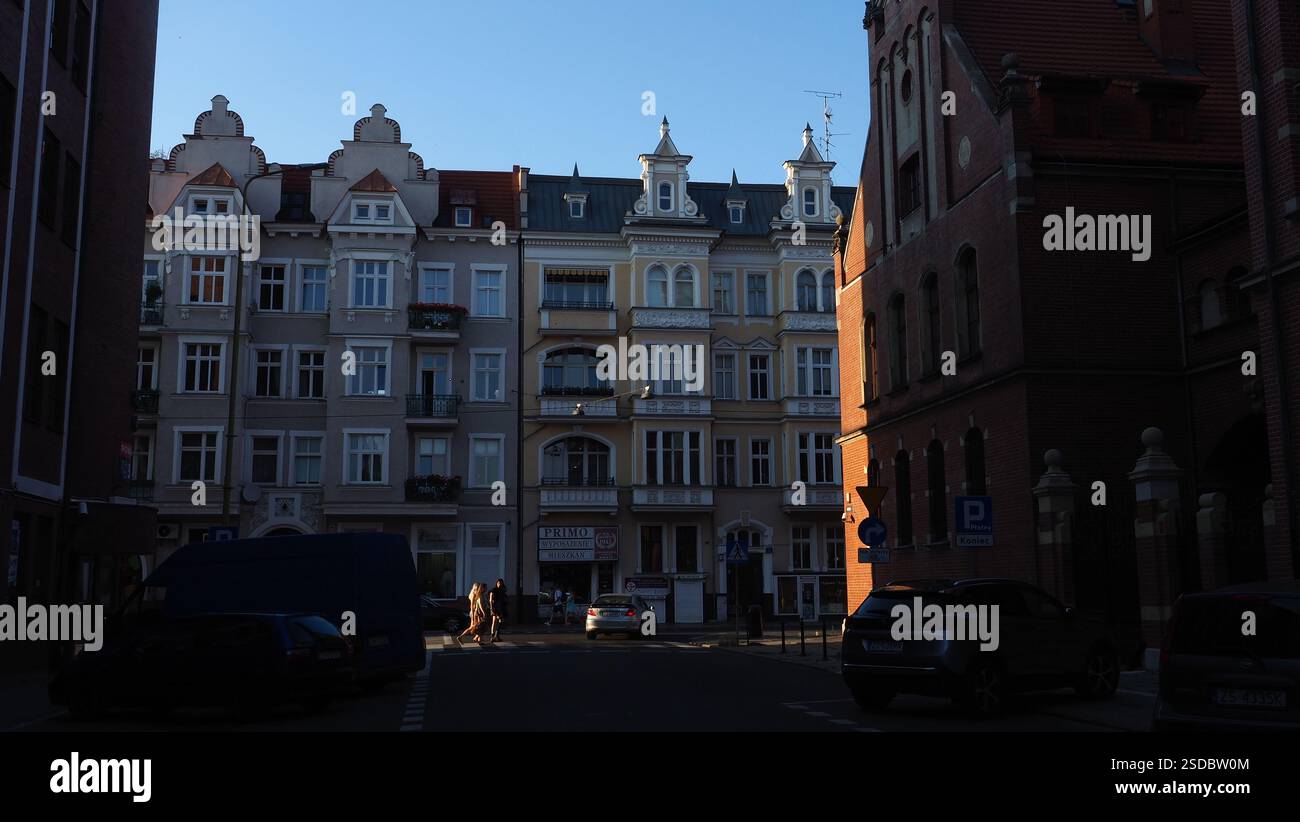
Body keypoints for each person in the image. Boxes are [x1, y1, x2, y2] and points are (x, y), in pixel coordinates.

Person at [488, 578, 509, 643]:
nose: (499, 584)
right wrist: (491, 609)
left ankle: (497, 635)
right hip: (495, 608)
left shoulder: (503, 590)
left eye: (501, 583)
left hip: (501, 608)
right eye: (498, 583)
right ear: (496, 583)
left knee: (500, 621)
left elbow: (504, 598)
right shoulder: (493, 590)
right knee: (494, 622)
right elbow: (490, 600)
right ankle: (492, 636)